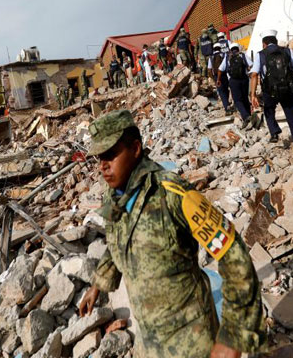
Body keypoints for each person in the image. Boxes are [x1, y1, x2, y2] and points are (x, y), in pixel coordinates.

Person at [79, 110, 264, 358]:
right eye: (100, 157)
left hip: (192, 338)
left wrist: (233, 338)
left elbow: (234, 254)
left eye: (111, 154)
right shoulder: (115, 197)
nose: (103, 165)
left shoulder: (173, 193)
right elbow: (118, 243)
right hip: (152, 339)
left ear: (135, 149)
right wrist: (98, 285)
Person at [249, 30, 293, 166]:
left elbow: (254, 75)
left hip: (270, 92)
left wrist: (253, 94)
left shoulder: (261, 55)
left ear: (264, 44)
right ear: (276, 42)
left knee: (268, 109)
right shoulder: (287, 51)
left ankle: (274, 131)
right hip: (288, 91)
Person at [217, 43, 253, 126]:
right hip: (244, 79)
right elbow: (251, 65)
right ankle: (249, 116)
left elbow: (220, 69)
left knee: (237, 100)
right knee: (245, 98)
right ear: (237, 48)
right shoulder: (242, 55)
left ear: (230, 49)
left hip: (233, 81)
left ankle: (245, 116)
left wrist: (218, 79)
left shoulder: (227, 57)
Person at [208, 43, 231, 113]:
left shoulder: (211, 57)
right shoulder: (224, 55)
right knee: (226, 89)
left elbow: (209, 69)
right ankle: (227, 103)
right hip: (224, 75)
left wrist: (213, 78)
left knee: (221, 92)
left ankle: (227, 107)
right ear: (220, 48)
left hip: (216, 76)